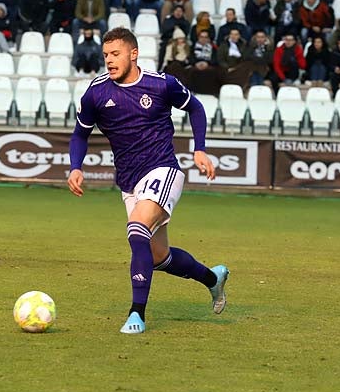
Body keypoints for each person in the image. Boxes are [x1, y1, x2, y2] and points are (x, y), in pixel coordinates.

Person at [67, 27, 228, 335]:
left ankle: (136, 314)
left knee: (136, 230)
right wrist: (76, 166)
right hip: (129, 182)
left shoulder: (161, 84)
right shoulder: (96, 92)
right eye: (106, 56)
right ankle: (213, 278)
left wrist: (200, 149)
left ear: (134, 54)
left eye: (116, 55)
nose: (110, 61)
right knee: (156, 256)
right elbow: (80, 134)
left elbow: (195, 107)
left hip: (163, 170)